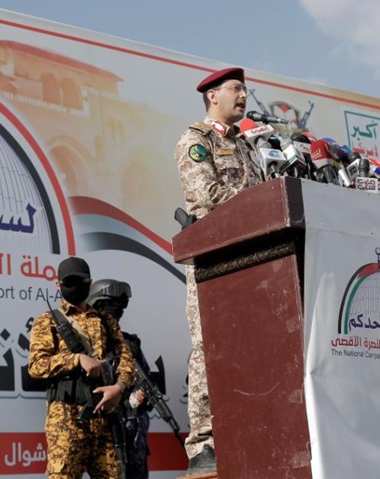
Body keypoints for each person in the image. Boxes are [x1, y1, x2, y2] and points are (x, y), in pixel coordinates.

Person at [173, 66, 262, 476]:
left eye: (245, 89)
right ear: (213, 95)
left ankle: (247, 428)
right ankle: (203, 444)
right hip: (212, 258)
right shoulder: (196, 140)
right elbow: (205, 195)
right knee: (208, 347)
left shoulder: (245, 144)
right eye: (236, 88)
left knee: (253, 345)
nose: (243, 95)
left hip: (255, 258)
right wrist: (259, 201)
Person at [28, 256, 135, 479]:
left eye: (81, 281)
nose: (75, 287)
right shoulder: (48, 321)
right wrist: (76, 359)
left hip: (104, 417)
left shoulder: (105, 320)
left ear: (90, 282)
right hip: (66, 419)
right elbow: (36, 365)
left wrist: (119, 388)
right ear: (58, 285)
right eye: (69, 282)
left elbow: (126, 359)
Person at [87, 279, 151, 479]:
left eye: (119, 307)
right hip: (104, 433)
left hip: (133, 435)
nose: (115, 313)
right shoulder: (85, 343)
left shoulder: (129, 343)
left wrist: (138, 396)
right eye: (110, 306)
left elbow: (146, 379)